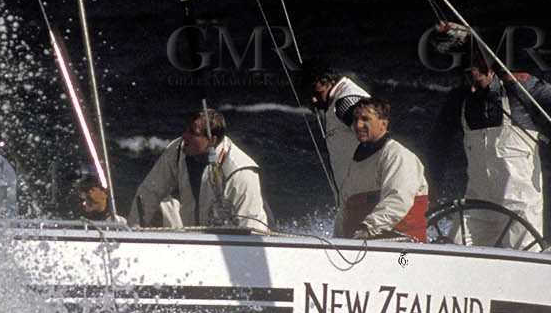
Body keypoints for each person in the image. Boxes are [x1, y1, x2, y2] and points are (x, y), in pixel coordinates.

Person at [429, 23, 551, 248]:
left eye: (476, 80)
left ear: (491, 70)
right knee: (452, 249)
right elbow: (437, 142)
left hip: (519, 203)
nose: (472, 89)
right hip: (477, 202)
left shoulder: (520, 87)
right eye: (466, 81)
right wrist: (435, 181)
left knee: (523, 257)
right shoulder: (459, 98)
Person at [129, 108, 268, 231]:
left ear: (212, 140)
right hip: (197, 238)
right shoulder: (177, 151)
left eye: (192, 132)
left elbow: (250, 227)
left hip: (242, 242)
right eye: (185, 130)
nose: (184, 136)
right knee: (163, 206)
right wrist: (133, 232)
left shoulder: (241, 172)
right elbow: (149, 191)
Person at [336, 97, 430, 240]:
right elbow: (345, 211)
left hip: (402, 248)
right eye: (355, 119)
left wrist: (367, 229)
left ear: (383, 124)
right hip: (360, 248)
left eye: (365, 119)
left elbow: (398, 200)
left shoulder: (398, 155)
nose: (358, 125)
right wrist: (335, 243)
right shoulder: (356, 161)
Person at [298, 58, 371, 203]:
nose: (313, 100)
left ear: (327, 81)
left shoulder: (345, 103)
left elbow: (376, 138)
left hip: (369, 196)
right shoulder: (336, 103)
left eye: (316, 92)